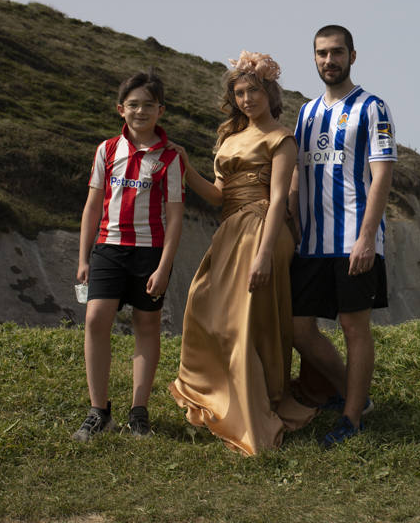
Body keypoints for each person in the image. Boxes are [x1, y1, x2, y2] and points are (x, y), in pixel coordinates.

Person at [169, 51, 315, 455]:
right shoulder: (228, 138)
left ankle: (256, 407)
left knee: (247, 321)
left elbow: (277, 200)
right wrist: (184, 166)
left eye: (253, 91)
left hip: (264, 230)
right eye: (239, 93)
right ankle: (220, 393)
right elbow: (218, 196)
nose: (247, 99)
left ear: (269, 92)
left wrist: (265, 255)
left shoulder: (281, 138)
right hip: (231, 228)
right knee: (207, 309)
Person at [289, 24, 396, 449]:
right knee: (298, 328)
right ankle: (354, 395)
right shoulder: (306, 112)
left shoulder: (373, 107)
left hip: (354, 238)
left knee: (354, 328)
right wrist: (289, 219)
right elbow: (296, 172)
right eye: (321, 54)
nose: (328, 60)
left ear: (353, 55)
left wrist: (367, 237)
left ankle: (351, 418)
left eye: (336, 52)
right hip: (311, 243)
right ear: (314, 58)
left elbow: (383, 172)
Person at [73, 70, 184, 441]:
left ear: (160, 110)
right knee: (95, 321)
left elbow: (175, 217)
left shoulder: (170, 157)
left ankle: (139, 412)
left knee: (147, 326)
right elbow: (91, 207)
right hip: (108, 248)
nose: (140, 111)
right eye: (133, 104)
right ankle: (98, 411)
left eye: (148, 105)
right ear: (121, 109)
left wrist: (165, 267)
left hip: (150, 252)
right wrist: (84, 257)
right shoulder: (106, 150)